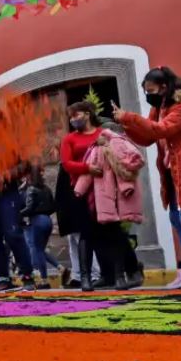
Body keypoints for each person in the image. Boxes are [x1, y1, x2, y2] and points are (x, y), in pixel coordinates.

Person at [116, 68, 181, 290]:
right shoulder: (159, 107)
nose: (148, 95)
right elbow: (148, 137)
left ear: (164, 87)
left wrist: (130, 117)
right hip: (172, 171)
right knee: (177, 220)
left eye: (151, 90)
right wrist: (127, 125)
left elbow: (161, 130)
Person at [75, 128, 147, 290]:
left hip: (117, 197)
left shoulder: (119, 144)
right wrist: (79, 189)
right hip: (101, 198)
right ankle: (115, 275)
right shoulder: (96, 149)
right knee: (105, 236)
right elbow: (88, 170)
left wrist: (118, 162)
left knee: (116, 236)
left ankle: (121, 275)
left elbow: (136, 160)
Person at [0, 113, 35, 294]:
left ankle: (27, 277)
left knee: (13, 234)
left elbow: (25, 165)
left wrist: (7, 175)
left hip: (6, 194)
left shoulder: (12, 144)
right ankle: (3, 279)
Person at [59, 101, 109, 292]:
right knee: (85, 233)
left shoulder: (102, 134)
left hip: (104, 187)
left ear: (88, 114)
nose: (73, 120)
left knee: (107, 232)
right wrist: (88, 168)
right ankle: (86, 276)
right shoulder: (69, 139)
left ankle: (109, 274)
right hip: (80, 190)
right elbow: (67, 164)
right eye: (71, 117)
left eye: (76, 115)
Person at [19, 166, 57, 289]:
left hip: (37, 221)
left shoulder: (31, 189)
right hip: (48, 221)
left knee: (37, 250)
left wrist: (18, 213)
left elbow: (29, 208)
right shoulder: (47, 189)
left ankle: (43, 280)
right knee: (40, 249)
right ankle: (44, 278)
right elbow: (52, 206)